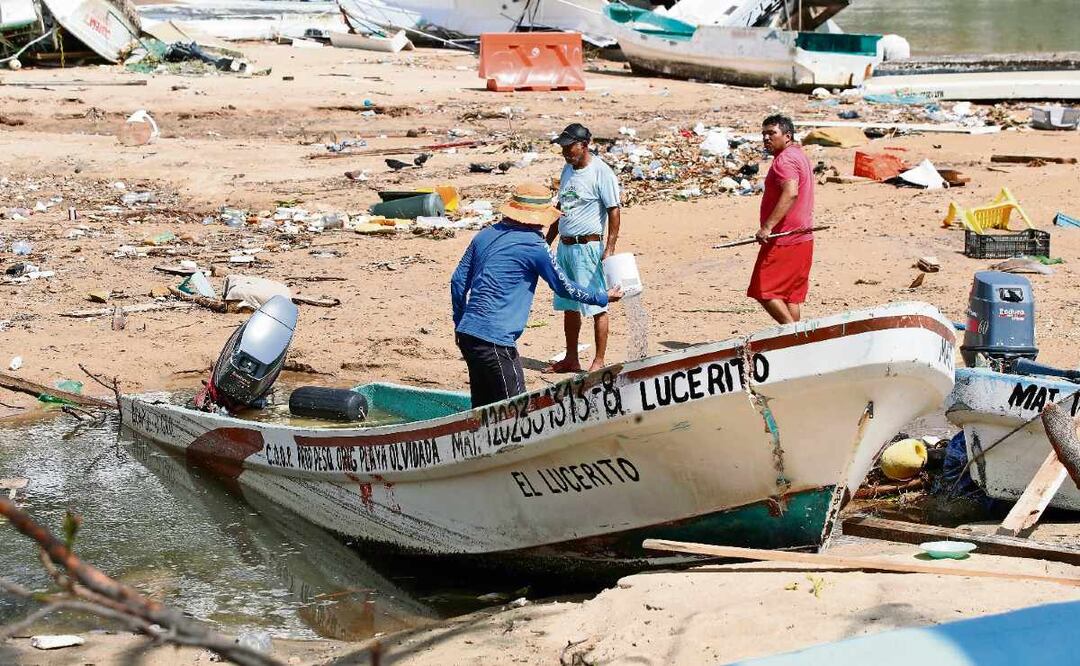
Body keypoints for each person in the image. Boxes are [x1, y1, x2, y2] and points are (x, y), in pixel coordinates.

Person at [451, 183, 623, 408]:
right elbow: (564, 287)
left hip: (468, 335)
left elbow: (457, 282)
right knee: (517, 411)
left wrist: (460, 322)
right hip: (496, 341)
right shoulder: (534, 245)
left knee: (482, 409)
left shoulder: (484, 235)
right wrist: (602, 297)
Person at [545, 123, 622, 374]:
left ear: (584, 145)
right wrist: (547, 241)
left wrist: (609, 248)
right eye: (563, 148)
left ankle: (598, 361)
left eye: (570, 148)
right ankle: (571, 358)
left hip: (588, 247)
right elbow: (561, 208)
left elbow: (614, 211)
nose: (566, 153)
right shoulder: (568, 170)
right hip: (565, 247)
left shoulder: (602, 173)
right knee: (568, 303)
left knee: (597, 304)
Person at [748, 114, 815, 325]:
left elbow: (791, 192)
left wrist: (767, 226)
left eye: (772, 133)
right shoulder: (798, 155)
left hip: (784, 237)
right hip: (803, 236)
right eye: (764, 134)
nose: (767, 138)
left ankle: (793, 336)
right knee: (789, 296)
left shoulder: (784, 160)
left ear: (787, 136)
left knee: (763, 289)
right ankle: (797, 340)